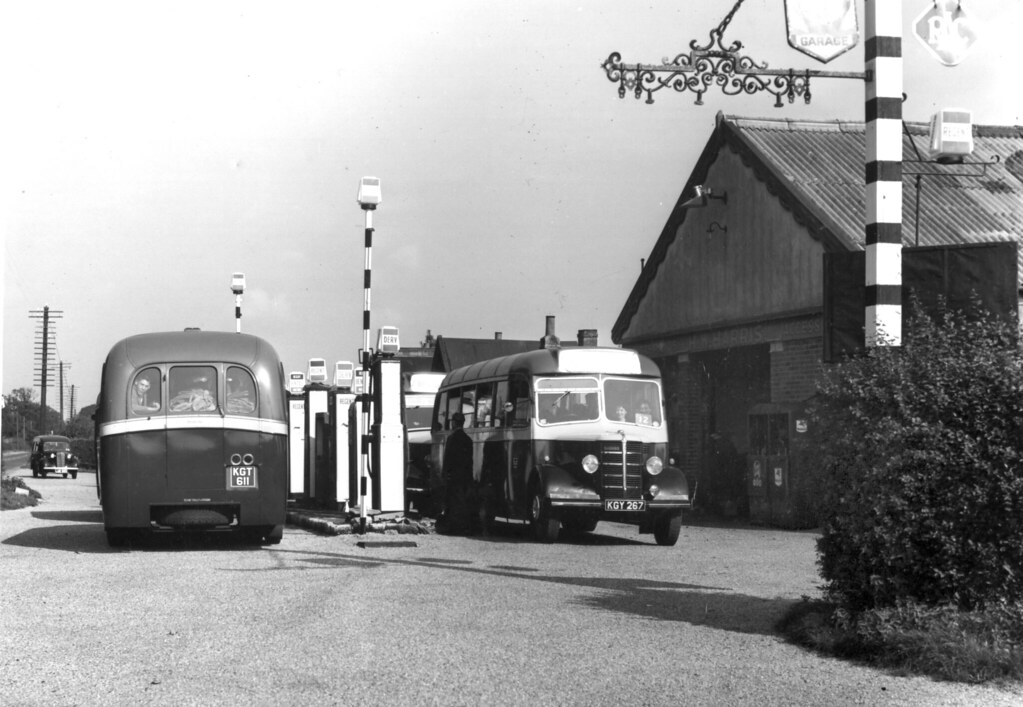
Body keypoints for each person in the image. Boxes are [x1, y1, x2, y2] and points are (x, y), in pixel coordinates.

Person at [440, 411, 476, 534]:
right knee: (462, 502)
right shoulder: (468, 440)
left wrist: (444, 473)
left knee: (452, 501)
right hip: (464, 476)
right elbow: (470, 461)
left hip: (453, 476)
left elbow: (448, 458)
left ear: (454, 423)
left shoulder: (452, 438)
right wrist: (470, 478)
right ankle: (462, 526)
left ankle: (453, 527)